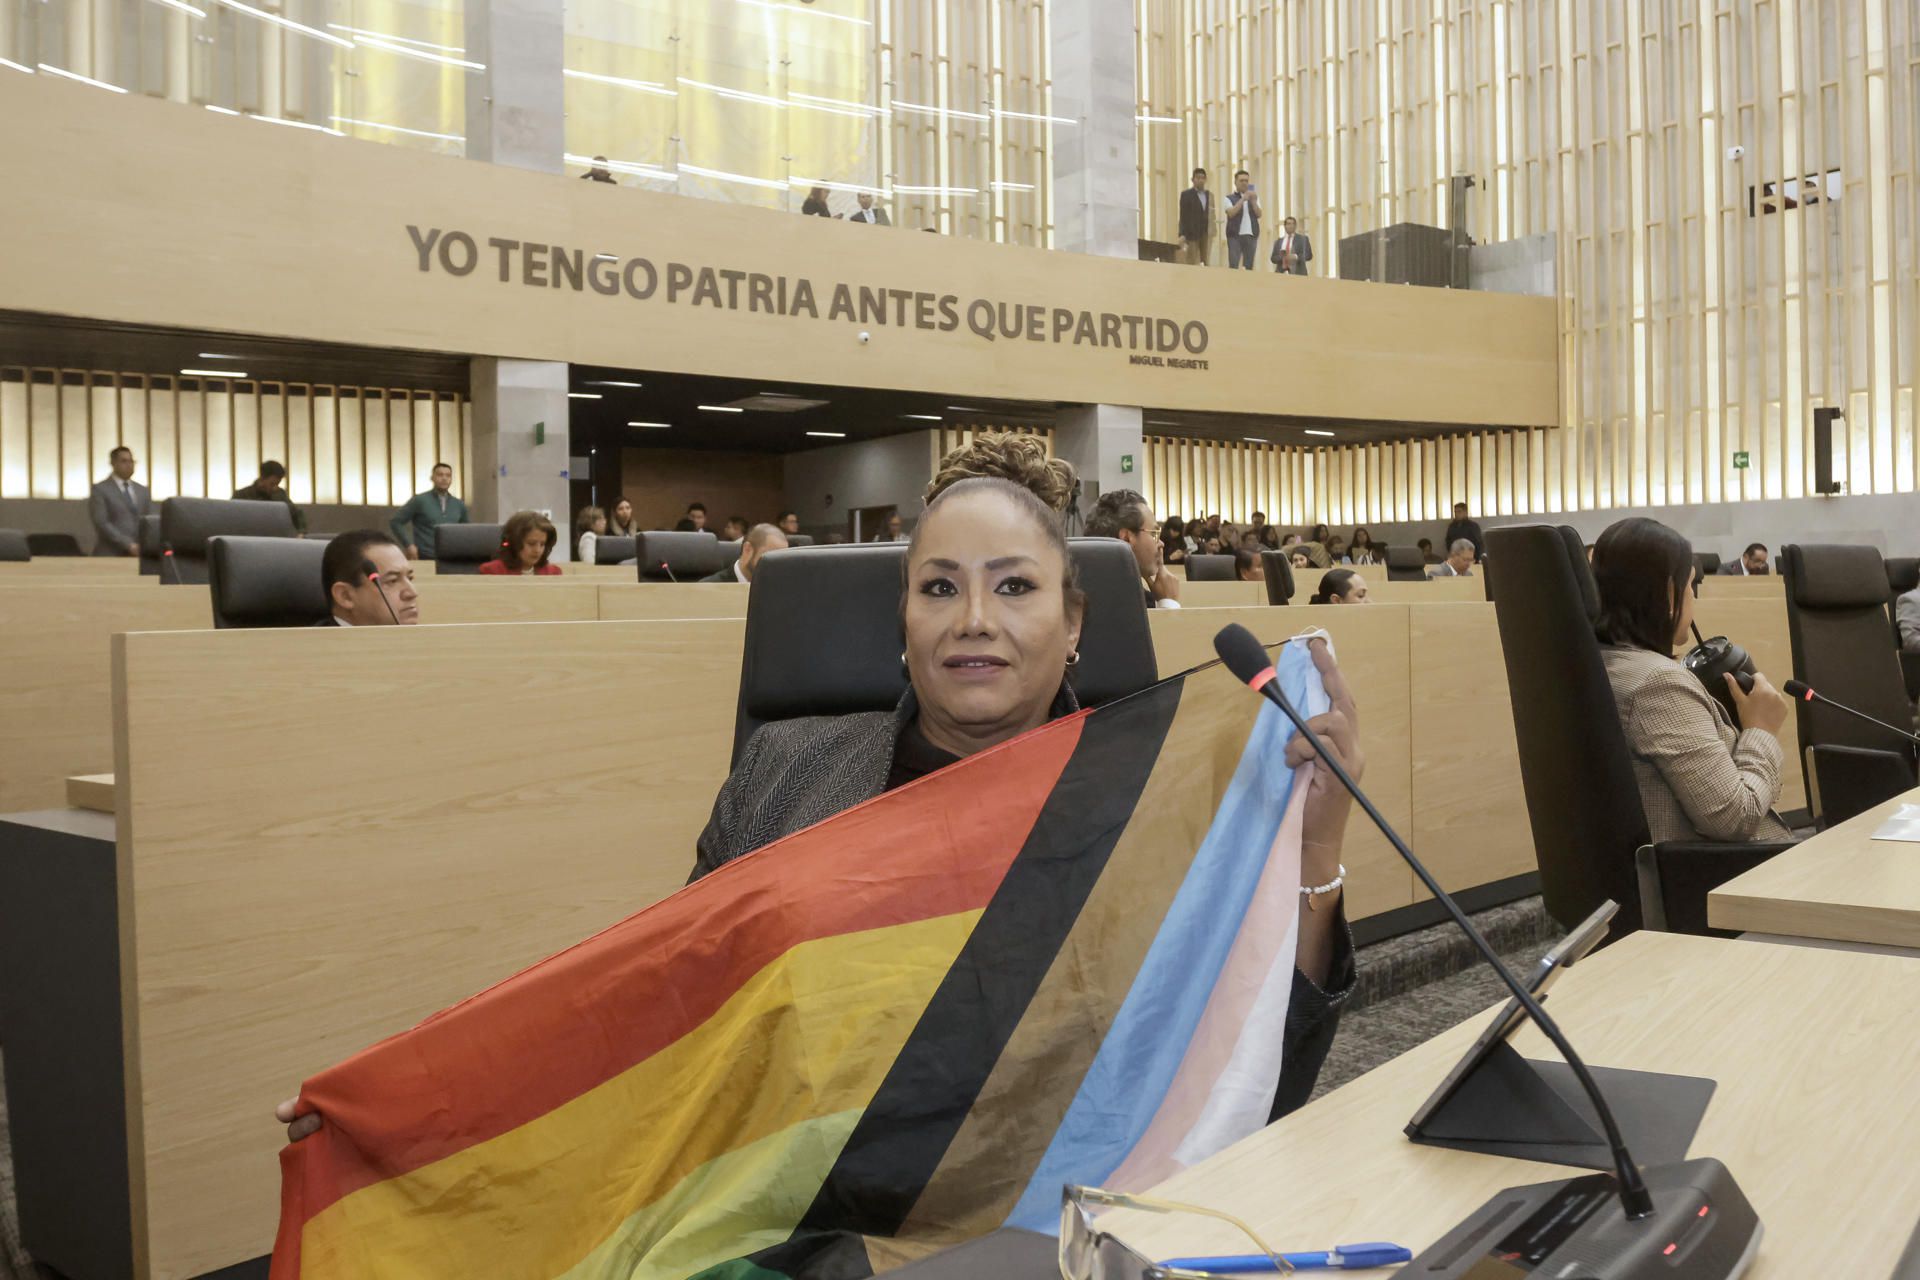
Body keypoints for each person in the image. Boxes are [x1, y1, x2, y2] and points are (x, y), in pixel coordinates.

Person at [278, 435, 1361, 1142]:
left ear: (1075, 623)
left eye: (1015, 587)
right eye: (939, 587)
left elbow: (1253, 1083)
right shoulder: (787, 772)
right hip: (810, 1224)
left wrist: (1312, 854)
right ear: (902, 619)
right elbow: (658, 1007)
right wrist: (408, 1107)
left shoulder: (1159, 804)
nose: (973, 619)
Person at [1594, 517, 1793, 844]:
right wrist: (1761, 730)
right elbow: (1736, 817)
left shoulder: (1607, 663)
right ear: (1669, 592)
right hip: (1722, 879)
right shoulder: (1658, 685)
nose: (1693, 600)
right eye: (1690, 586)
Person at [1088, 489, 1181, 609]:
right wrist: (1168, 603)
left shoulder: (1076, 590)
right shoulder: (1132, 602)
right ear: (1126, 538)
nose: (1161, 544)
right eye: (1154, 534)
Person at [317, 531, 420, 626]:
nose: (412, 593)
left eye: (409, 578)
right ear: (345, 596)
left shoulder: (414, 642)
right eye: (392, 581)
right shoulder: (314, 645)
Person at [389, 463, 469, 560]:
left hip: (452, 557)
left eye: (448, 475)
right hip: (425, 555)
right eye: (440, 475)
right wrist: (409, 545)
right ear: (432, 478)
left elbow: (466, 530)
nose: (444, 478)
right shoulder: (420, 500)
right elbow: (396, 522)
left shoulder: (459, 504)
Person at [88, 445, 151, 556]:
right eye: (124, 461)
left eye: (132, 461)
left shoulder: (143, 491)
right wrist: (128, 544)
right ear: (113, 463)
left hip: (140, 552)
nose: (129, 465)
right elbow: (101, 522)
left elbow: (149, 520)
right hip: (110, 553)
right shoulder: (100, 489)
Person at [478, 510, 562, 575]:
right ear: (514, 542)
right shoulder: (492, 571)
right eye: (531, 543)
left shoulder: (553, 573)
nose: (537, 550)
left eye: (542, 544)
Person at [233, 461, 307, 534]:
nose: (275, 488)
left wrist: (301, 533)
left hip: (275, 538)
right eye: (272, 484)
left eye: (277, 484)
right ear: (262, 479)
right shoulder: (241, 495)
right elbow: (233, 520)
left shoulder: (280, 494)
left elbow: (297, 513)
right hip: (248, 537)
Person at [701, 522, 789, 583]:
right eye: (771, 558)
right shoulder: (707, 588)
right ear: (747, 550)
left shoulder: (780, 589)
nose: (776, 567)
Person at [1225, 169, 1261, 269]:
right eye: (1241, 180)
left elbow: (1259, 214)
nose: (1244, 183)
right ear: (1235, 182)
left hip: (1251, 234)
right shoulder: (1229, 198)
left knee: (1249, 265)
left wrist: (1253, 202)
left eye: (1246, 180)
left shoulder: (1254, 197)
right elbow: (1231, 213)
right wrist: (1242, 199)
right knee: (1233, 264)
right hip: (1234, 235)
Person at [1177, 167, 1213, 266]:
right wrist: (1182, 233)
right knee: (1192, 260)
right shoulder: (1186, 194)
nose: (1200, 180)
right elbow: (1183, 215)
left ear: (1205, 179)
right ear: (1192, 180)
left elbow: (1212, 214)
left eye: (1203, 178)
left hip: (1206, 233)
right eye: (1198, 177)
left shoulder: (1209, 195)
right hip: (1192, 233)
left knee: (1205, 261)